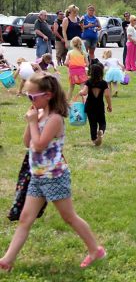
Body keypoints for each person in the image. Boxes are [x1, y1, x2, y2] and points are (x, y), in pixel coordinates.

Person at [0, 73, 105, 272]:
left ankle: (95, 250)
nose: (30, 100)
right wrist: (30, 121)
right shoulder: (38, 114)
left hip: (54, 177)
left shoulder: (55, 119)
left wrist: (33, 123)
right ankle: (7, 260)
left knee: (69, 217)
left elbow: (39, 145)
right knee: (25, 218)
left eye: (33, 96)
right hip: (38, 176)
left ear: (47, 95)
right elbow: (26, 143)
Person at [79, 63, 112, 146]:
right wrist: (109, 105)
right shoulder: (104, 83)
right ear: (101, 72)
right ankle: (101, 131)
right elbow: (107, 95)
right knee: (102, 122)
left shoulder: (88, 82)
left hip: (90, 106)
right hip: (99, 106)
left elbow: (84, 92)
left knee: (92, 124)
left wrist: (80, 92)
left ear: (91, 72)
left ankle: (94, 139)